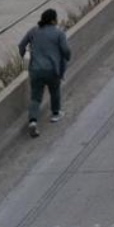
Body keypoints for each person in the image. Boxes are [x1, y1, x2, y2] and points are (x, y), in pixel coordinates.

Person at [19, 8, 71, 138]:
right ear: (53, 20)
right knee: (54, 90)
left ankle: (32, 121)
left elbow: (21, 45)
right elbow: (66, 50)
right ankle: (55, 113)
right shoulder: (58, 33)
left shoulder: (33, 31)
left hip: (35, 70)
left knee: (36, 97)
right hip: (52, 69)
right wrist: (66, 57)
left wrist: (26, 58)